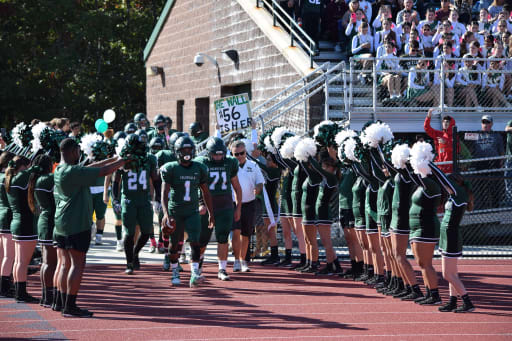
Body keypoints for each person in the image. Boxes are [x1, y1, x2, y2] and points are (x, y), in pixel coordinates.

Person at [53, 138, 125, 317]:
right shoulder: (72, 171)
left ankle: (60, 302)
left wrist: (115, 158)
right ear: (73, 152)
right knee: (77, 265)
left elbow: (94, 166)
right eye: (78, 151)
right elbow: (103, 171)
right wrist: (123, 162)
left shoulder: (61, 169)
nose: (80, 154)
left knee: (64, 264)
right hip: (76, 223)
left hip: (61, 223)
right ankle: (70, 306)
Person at [161, 136, 214, 287]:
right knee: (174, 245)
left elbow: (206, 192)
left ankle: (194, 274)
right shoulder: (170, 168)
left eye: (189, 149)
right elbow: (164, 193)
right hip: (175, 211)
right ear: (177, 151)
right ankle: (175, 271)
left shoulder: (199, 168)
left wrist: (211, 212)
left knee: (195, 242)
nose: (187, 152)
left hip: (192, 211)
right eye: (184, 149)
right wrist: (166, 213)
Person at [112, 136, 160, 275]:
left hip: (144, 199)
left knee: (146, 231)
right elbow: (116, 182)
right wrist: (115, 200)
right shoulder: (123, 159)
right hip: (128, 199)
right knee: (129, 232)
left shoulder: (149, 159)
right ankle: (129, 263)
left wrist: (156, 198)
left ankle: (135, 253)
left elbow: (155, 179)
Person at [196, 137, 242, 281]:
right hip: (208, 205)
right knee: (203, 238)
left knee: (223, 237)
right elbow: (197, 186)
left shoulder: (230, 162)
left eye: (220, 154)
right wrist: (200, 203)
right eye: (215, 154)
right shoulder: (202, 163)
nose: (218, 157)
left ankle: (222, 269)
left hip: (225, 204)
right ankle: (198, 264)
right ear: (209, 153)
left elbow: (237, 187)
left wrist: (238, 207)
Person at [409, 142, 443, 306]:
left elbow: (415, 174)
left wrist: (423, 162)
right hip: (417, 227)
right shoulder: (423, 183)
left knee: (426, 263)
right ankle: (429, 292)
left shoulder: (431, 184)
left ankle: (435, 295)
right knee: (421, 263)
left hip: (426, 226)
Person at [437, 172, 476, 313]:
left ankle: (468, 302)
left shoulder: (459, 194)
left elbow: (442, 179)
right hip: (446, 235)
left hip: (451, 236)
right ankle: (452, 301)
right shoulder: (455, 195)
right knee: (452, 273)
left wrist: (429, 163)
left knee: (447, 274)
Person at [5, 156, 37, 303]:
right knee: (21, 262)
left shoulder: (10, 179)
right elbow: (33, 171)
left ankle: (19, 291)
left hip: (16, 223)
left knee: (18, 261)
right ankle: (21, 293)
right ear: (22, 166)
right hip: (24, 224)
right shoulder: (20, 179)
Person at [230, 140, 264, 273]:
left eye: (241, 153)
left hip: (249, 203)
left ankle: (243, 259)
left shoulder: (253, 165)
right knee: (236, 232)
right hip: (234, 203)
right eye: (236, 154)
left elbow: (260, 182)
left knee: (246, 233)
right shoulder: (230, 165)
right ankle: (237, 261)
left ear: (246, 153)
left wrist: (258, 188)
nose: (239, 156)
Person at [27, 154, 55, 307]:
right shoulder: (46, 179)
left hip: (44, 221)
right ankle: (49, 296)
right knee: (50, 263)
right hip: (49, 221)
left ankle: (46, 296)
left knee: (46, 262)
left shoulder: (37, 179)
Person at [472, 114, 505, 209]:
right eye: (483, 122)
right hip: (480, 163)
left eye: (487, 122)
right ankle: (482, 207)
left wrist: (501, 161)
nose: (485, 124)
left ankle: (495, 207)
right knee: (481, 186)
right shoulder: (475, 134)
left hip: (493, 162)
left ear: (491, 124)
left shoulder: (497, 135)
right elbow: (466, 146)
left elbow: (501, 151)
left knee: (493, 186)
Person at [0, 151, 15, 297]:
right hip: (7, 216)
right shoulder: (7, 178)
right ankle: (4, 287)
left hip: (1, 215)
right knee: (8, 255)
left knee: (2, 254)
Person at [424, 109, 457, 174]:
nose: (445, 123)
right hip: (440, 166)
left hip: (450, 168)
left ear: (451, 123)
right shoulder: (440, 134)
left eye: (447, 122)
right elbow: (427, 128)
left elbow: (457, 150)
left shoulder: (455, 136)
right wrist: (429, 116)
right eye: (444, 122)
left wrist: (445, 143)